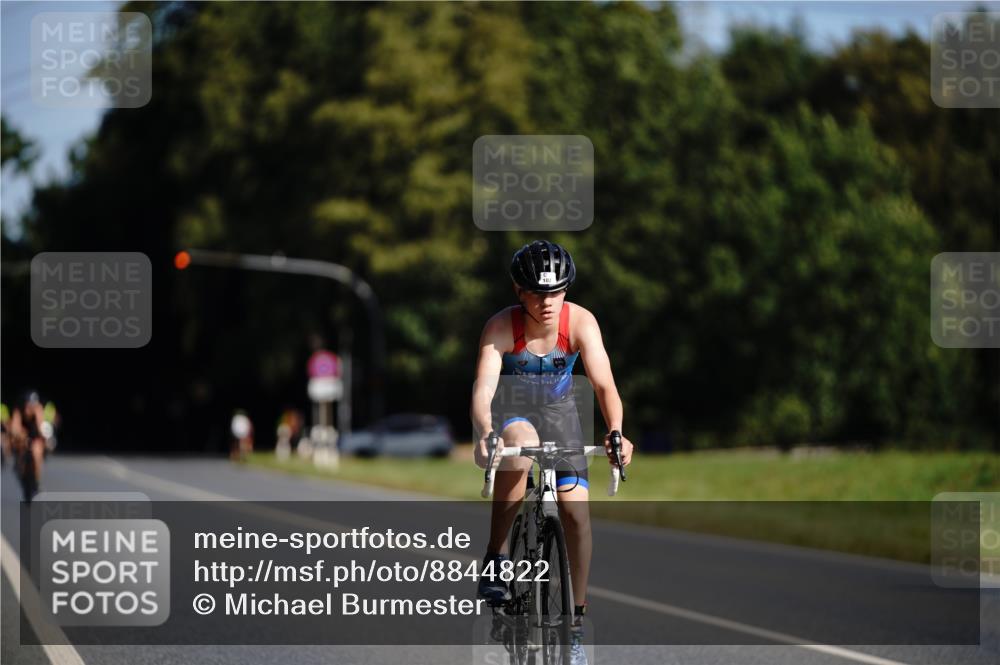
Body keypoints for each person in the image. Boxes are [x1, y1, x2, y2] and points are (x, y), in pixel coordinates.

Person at [471, 240, 634, 663]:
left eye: (556, 292)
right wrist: (487, 431)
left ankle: (575, 622)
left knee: (576, 514)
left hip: (563, 414)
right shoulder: (501, 327)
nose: (548, 302)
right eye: (538, 293)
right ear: (518, 290)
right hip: (514, 413)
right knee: (521, 446)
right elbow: (483, 388)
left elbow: (604, 385)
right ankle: (498, 555)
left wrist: (616, 431)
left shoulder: (580, 322)